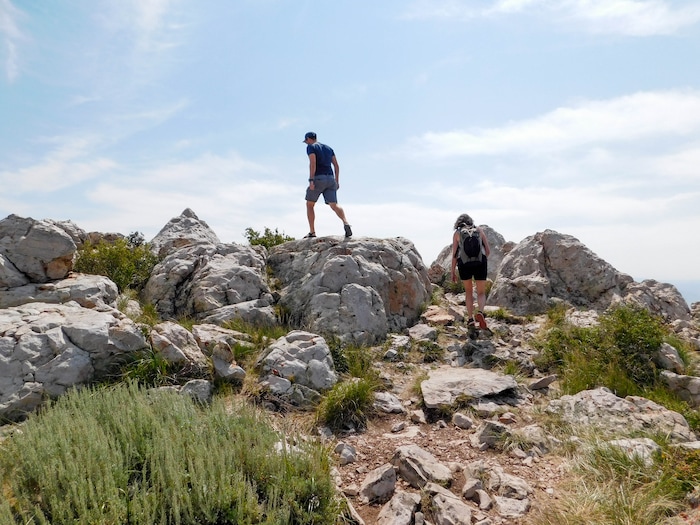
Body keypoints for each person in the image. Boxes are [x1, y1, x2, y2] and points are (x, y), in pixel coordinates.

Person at [302, 131, 352, 239]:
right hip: (330, 178)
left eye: (306, 141)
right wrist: (337, 181)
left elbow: (313, 163)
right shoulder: (329, 148)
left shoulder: (311, 147)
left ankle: (312, 232)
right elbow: (336, 165)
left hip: (318, 178)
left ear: (309, 139)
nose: (306, 143)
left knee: (310, 204)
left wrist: (311, 180)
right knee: (334, 205)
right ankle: (346, 222)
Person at [450, 213, 491, 330]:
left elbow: (454, 255)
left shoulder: (457, 233)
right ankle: (481, 313)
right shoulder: (479, 230)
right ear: (471, 221)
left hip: (464, 264)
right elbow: (488, 251)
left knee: (468, 292)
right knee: (481, 292)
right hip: (480, 262)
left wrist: (452, 272)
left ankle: (470, 319)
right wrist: (481, 261)